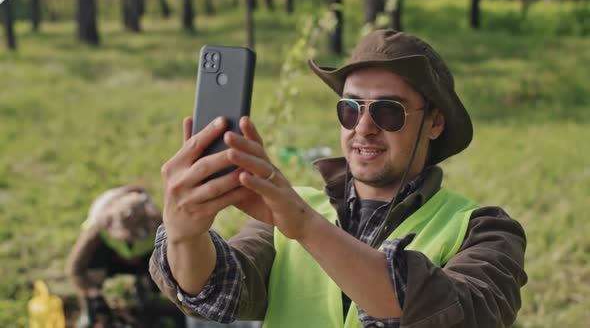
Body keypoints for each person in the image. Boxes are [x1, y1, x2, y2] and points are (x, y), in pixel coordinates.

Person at [149, 29, 528, 328]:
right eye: (350, 109)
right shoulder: (291, 212)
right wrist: (185, 235)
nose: (363, 128)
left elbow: (457, 314)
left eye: (388, 111)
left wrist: (307, 227)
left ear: (435, 122)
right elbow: (219, 290)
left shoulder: (484, 230)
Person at [66, 186, 163, 327]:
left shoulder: (159, 225)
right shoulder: (97, 228)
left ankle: (147, 298)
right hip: (110, 261)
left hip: (144, 263)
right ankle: (90, 311)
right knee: (91, 272)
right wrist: (92, 292)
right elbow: (75, 269)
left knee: (160, 270)